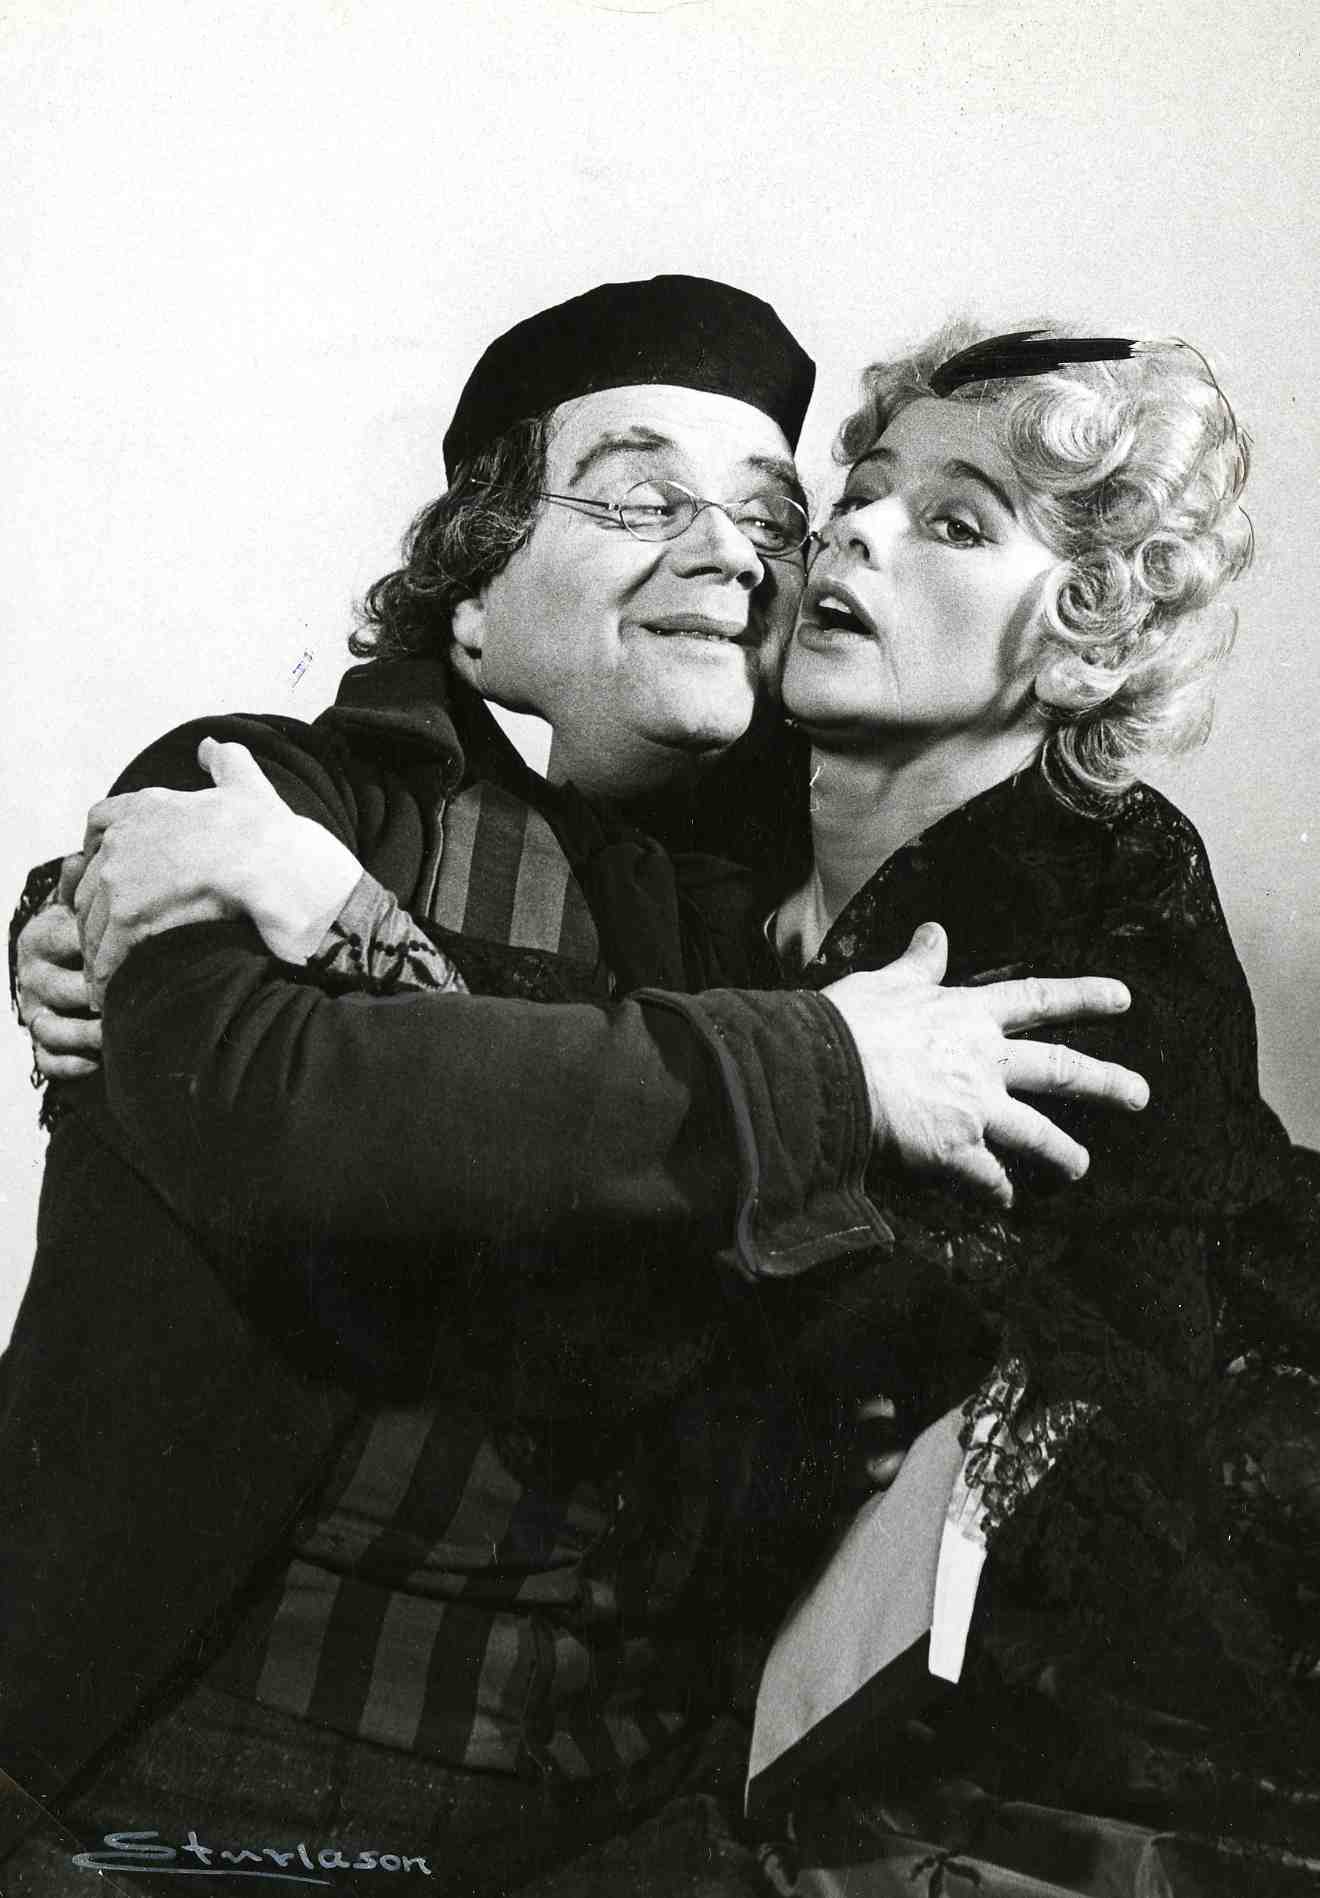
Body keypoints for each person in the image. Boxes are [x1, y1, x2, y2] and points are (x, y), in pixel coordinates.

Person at [1, 281, 1148, 1897]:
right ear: (469, 588)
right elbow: (274, 1109)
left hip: (621, 1831)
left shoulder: (809, 914)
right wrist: (821, 1075)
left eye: (770, 519)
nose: (733, 553)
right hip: (169, 1787)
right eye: (637, 498)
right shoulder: (264, 786)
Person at [737, 322, 1320, 1894]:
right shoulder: (719, 846)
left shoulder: (1114, 896)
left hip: (1147, 1713)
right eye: (859, 493)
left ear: (1083, 648)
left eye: (955, 523)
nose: (856, 533)